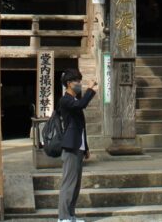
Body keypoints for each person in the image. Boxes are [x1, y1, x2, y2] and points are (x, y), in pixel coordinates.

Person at [58, 69, 97, 222]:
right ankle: (63, 217)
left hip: (78, 146)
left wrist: (86, 147)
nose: (79, 84)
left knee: (76, 184)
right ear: (69, 83)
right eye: (77, 81)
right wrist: (90, 89)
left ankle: (71, 215)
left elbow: (81, 127)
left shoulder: (74, 100)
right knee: (68, 183)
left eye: (80, 81)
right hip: (70, 146)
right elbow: (81, 104)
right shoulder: (66, 100)